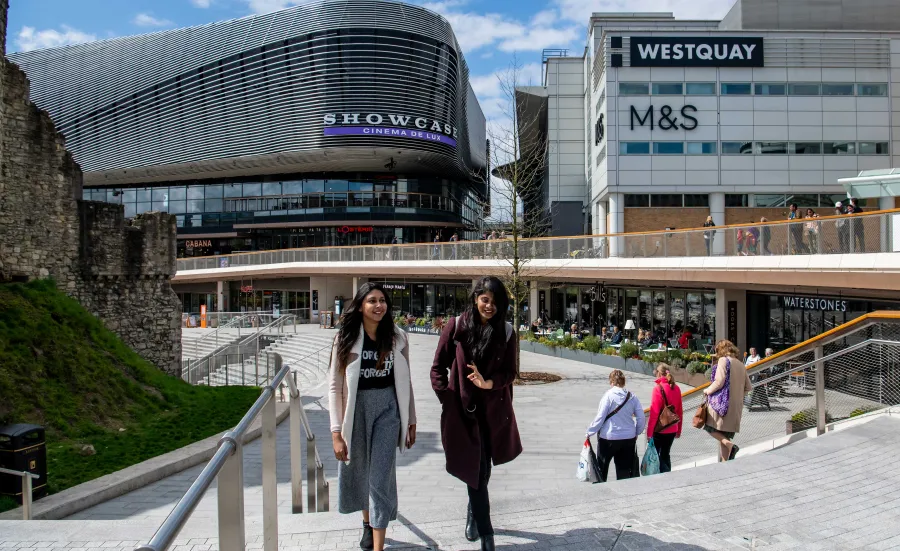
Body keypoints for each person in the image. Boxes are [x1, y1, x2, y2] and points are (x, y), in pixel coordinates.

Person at [430, 276, 522, 551]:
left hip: (494, 412)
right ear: (475, 299)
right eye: (485, 299)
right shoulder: (456, 326)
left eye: (495, 302)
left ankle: (473, 509)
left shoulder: (506, 332)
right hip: (464, 412)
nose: (489, 306)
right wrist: (447, 398)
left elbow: (509, 372)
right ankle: (487, 533)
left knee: (484, 468)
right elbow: (437, 367)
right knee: (478, 469)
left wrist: (489, 383)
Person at [328, 283, 417, 551]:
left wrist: (411, 419)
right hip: (356, 410)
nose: (379, 306)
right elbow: (334, 385)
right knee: (360, 471)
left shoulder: (398, 337)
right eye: (372, 301)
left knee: (380, 477)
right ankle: (368, 524)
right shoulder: (345, 338)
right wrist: (336, 432)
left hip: (388, 410)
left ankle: (378, 547)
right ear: (361, 306)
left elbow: (406, 381)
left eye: (382, 300)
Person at [586, 369, 645, 480]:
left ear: (611, 382)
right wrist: (637, 432)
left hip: (608, 438)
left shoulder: (608, 396)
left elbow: (600, 417)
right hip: (628, 439)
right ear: (623, 383)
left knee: (602, 469)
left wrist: (589, 432)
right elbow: (641, 417)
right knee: (624, 472)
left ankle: (601, 491)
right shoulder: (632, 397)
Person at [703, 340, 753, 462]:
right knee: (724, 435)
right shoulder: (740, 364)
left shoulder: (723, 361)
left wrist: (707, 391)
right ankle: (726, 463)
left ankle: (731, 446)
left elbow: (719, 382)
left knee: (709, 428)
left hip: (722, 405)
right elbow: (748, 387)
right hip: (736, 407)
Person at [647, 364, 683, 473]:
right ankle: (667, 475)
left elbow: (654, 413)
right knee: (666, 453)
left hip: (660, 429)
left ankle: (658, 477)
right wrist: (679, 430)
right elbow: (680, 411)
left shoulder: (658, 388)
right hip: (672, 428)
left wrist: (649, 433)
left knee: (655, 455)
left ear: (658, 373)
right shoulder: (676, 388)